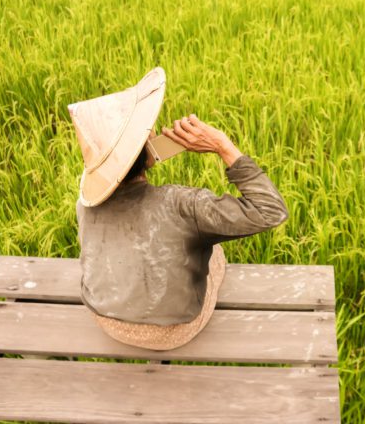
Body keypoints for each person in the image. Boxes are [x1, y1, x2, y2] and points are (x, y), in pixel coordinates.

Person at [69, 68, 288, 351]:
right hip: (172, 333)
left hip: (106, 320)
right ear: (145, 149)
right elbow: (271, 210)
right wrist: (223, 145)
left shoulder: (86, 203)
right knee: (215, 253)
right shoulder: (182, 205)